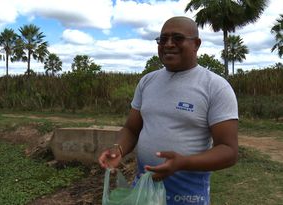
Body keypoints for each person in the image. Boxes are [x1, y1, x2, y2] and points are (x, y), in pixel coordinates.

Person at [98, 16, 238, 205]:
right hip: (144, 190)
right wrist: (118, 150)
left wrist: (183, 163)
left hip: (187, 194)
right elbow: (132, 128)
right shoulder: (148, 81)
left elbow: (228, 151)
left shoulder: (215, 87)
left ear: (196, 44)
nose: (168, 44)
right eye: (163, 39)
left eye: (177, 38)